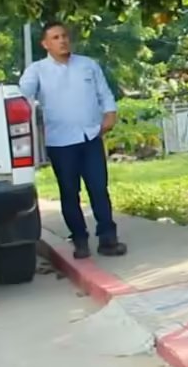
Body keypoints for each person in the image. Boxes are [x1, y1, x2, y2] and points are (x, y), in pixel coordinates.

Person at [19, 21, 127, 260]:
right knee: (69, 192)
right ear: (45, 44)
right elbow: (22, 93)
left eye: (64, 36)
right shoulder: (36, 70)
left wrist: (110, 114)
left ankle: (108, 239)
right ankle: (79, 240)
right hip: (59, 142)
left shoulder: (88, 65)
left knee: (99, 189)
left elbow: (104, 92)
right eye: (56, 37)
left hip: (90, 137)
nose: (62, 41)